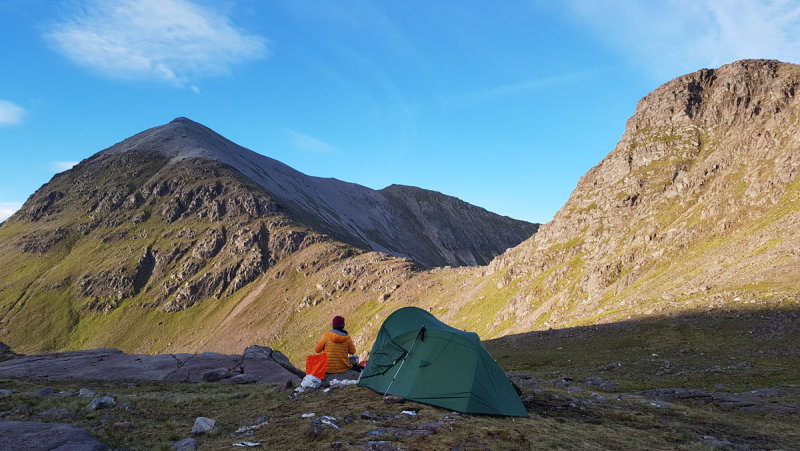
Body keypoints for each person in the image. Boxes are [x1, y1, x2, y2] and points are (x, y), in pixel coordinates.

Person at [314, 315, 361, 380]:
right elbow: (352, 351)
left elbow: (317, 350)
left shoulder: (326, 335)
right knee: (358, 368)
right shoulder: (347, 338)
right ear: (343, 325)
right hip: (343, 368)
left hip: (327, 369)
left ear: (333, 325)